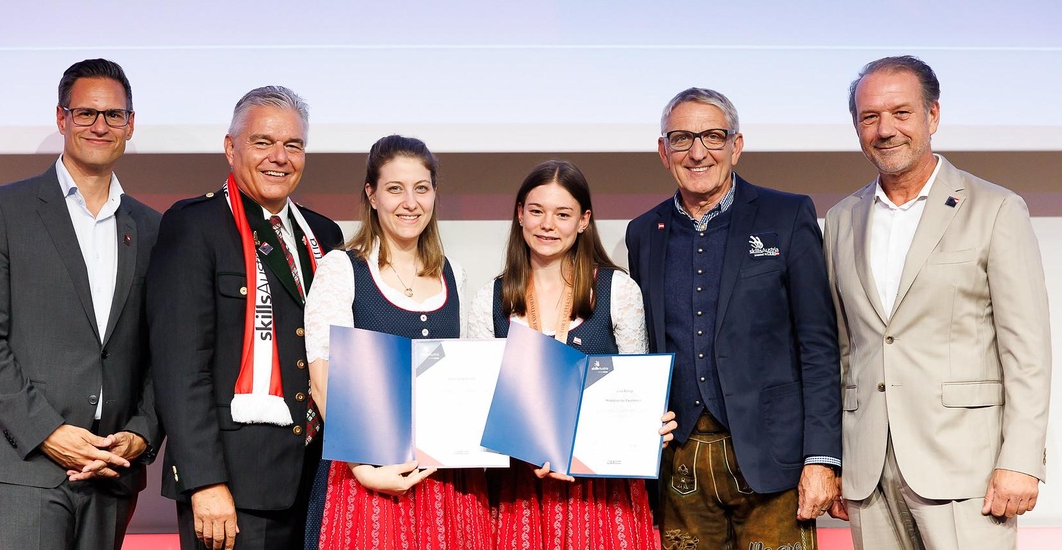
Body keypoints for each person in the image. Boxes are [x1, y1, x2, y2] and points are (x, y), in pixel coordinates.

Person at [823, 55, 1052, 550]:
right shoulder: (841, 219)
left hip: (966, 468)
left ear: (933, 115)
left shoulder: (995, 208)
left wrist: (1021, 459)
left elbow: (1026, 350)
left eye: (901, 113)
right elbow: (843, 348)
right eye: (869, 117)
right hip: (869, 470)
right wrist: (837, 459)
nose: (885, 129)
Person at [0, 58, 161, 549]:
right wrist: (48, 432)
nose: (100, 126)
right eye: (86, 113)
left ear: (130, 124)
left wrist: (140, 433)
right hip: (23, 462)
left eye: (113, 115)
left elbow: (162, 348)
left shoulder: (152, 227)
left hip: (111, 465)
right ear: (62, 118)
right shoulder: (1, 209)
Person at [624, 88, 842, 550]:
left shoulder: (787, 215)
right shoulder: (643, 232)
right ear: (663, 151)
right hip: (680, 466)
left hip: (774, 462)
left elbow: (819, 345)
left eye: (713, 136)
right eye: (681, 139)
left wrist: (823, 458)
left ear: (736, 145)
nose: (697, 152)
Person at [148, 86, 344, 550]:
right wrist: (204, 481)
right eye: (263, 142)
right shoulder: (194, 225)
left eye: (293, 145)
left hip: (317, 481)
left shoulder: (324, 234)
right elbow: (179, 368)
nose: (280, 157)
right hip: (233, 489)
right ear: (230, 147)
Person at [469, 159, 676, 550]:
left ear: (583, 221)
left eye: (563, 214)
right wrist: (525, 454)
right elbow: (481, 406)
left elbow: (637, 393)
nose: (548, 224)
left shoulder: (618, 291)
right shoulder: (490, 299)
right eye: (537, 211)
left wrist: (650, 426)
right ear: (520, 215)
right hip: (521, 493)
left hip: (603, 494)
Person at [303, 134, 493, 549]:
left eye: (421, 188)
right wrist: (364, 467)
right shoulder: (343, 269)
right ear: (371, 195)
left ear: (434, 194)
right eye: (395, 189)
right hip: (367, 476)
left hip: (446, 482)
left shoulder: (453, 274)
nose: (410, 202)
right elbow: (323, 382)